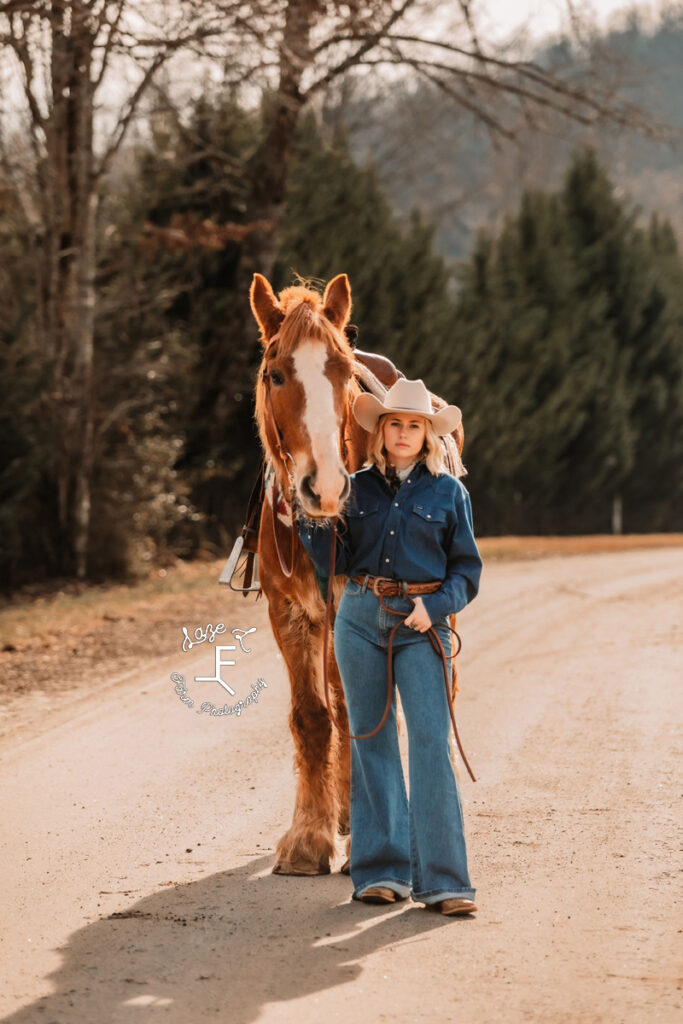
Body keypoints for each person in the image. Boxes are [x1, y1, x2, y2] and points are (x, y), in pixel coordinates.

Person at [298, 378, 483, 916]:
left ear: (428, 436)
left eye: (414, 426)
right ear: (381, 431)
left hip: (422, 623)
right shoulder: (354, 486)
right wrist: (311, 507)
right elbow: (330, 561)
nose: (403, 433)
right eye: (395, 424)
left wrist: (438, 606)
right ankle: (381, 873)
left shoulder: (449, 492)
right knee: (369, 737)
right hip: (358, 618)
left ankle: (445, 883)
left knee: (430, 743)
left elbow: (467, 570)